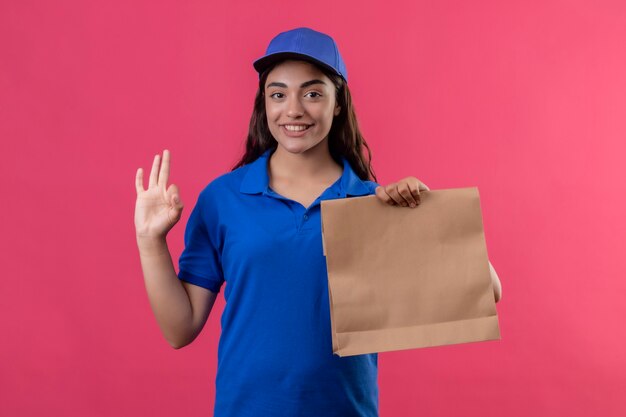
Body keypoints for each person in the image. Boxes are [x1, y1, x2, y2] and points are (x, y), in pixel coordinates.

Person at [134, 27, 502, 417]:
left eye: (312, 93)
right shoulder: (223, 199)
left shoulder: (370, 204)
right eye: (278, 94)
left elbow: (487, 291)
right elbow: (180, 328)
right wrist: (149, 241)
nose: (293, 109)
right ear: (264, 102)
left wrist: (428, 219)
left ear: (338, 102)